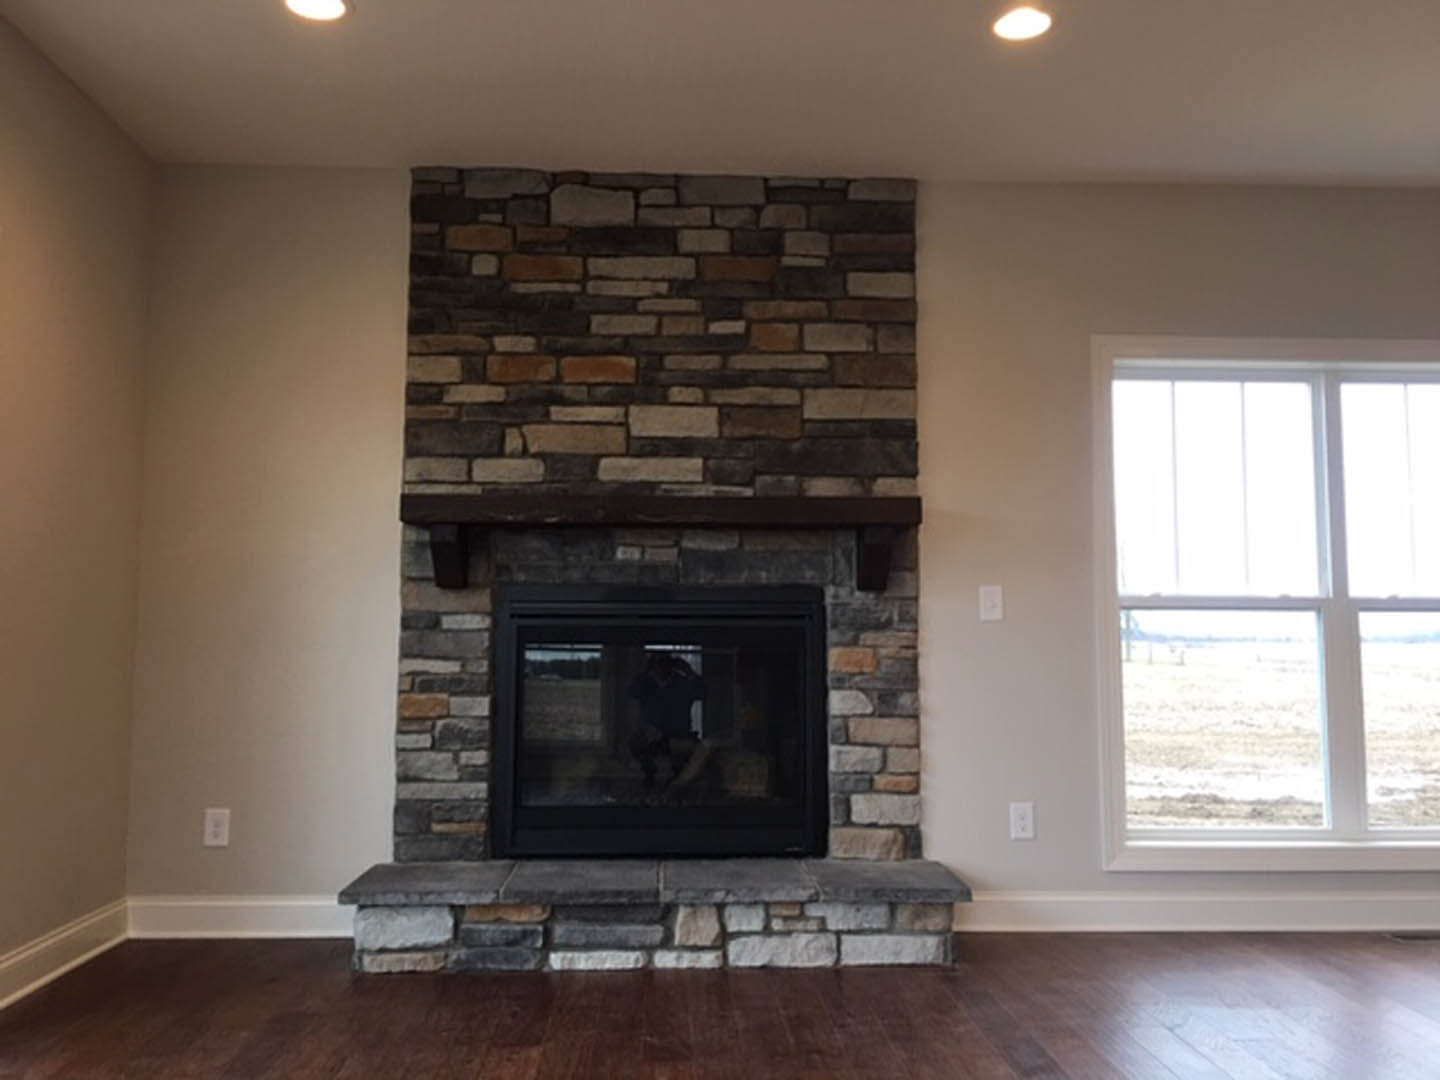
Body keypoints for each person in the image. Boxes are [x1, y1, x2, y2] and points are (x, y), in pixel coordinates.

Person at [627, 651, 705, 794]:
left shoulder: (682, 683)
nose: (662, 668)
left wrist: (688, 671)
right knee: (636, 742)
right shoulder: (647, 683)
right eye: (658, 663)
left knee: (687, 750)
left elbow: (703, 693)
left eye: (666, 663)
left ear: (672, 665)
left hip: (678, 736)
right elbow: (632, 691)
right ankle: (650, 773)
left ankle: (677, 777)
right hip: (653, 737)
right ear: (653, 666)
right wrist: (645, 671)